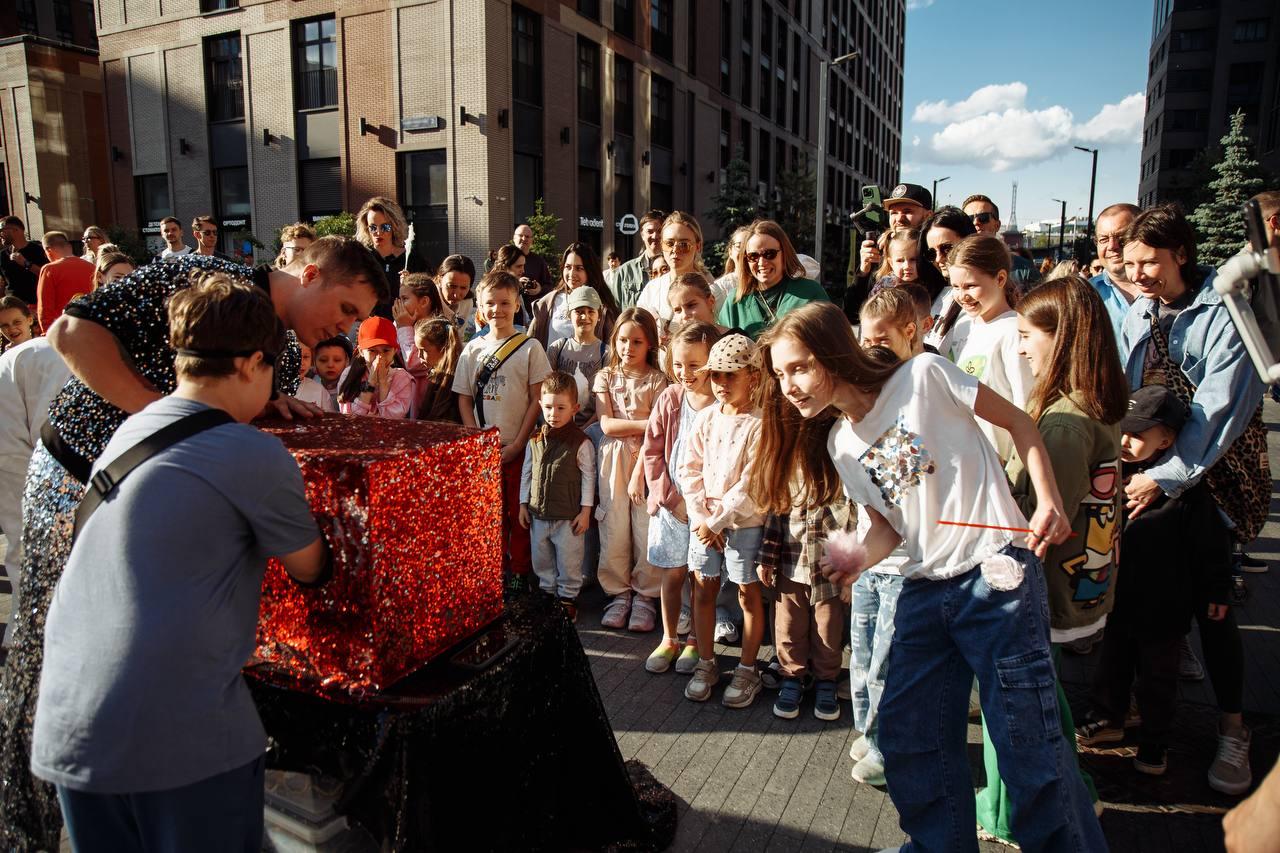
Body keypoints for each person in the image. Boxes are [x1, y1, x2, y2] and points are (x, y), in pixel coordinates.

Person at [0, 240, 384, 849]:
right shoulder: (206, 279)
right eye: (344, 308)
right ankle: (23, 830)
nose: (344, 327)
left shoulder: (282, 353)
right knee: (42, 649)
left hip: (75, 728)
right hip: (78, 481)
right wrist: (177, 422)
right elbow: (71, 332)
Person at [755, 300, 1105, 852]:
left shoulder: (924, 375)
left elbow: (1019, 422)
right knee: (908, 735)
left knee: (1028, 744)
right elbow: (888, 528)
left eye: (798, 367)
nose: (788, 385)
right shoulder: (841, 444)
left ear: (832, 352)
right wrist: (854, 559)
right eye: (780, 374)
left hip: (995, 575)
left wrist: (1048, 500)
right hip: (922, 590)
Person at [1117, 203, 1265, 795]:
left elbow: (1218, 410)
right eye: (1130, 263)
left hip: (1214, 472)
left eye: (1149, 262)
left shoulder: (1225, 311)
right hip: (1149, 468)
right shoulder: (1139, 307)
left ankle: (1233, 729)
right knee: (1147, 596)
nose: (1138, 275)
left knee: (1215, 606)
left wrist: (1168, 474)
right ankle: (1140, 708)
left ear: (1181, 253)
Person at [975, 275, 1127, 844]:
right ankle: (1074, 790)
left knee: (1018, 710)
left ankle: (1008, 812)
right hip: (1081, 583)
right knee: (1048, 701)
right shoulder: (1095, 403)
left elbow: (1036, 522)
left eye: (1026, 335)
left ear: (1061, 338)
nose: (1019, 349)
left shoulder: (1063, 424)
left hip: (1045, 590)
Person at [1076, 385, 1229, 782]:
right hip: (1117, 598)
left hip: (1164, 608)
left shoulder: (1187, 492)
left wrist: (1217, 591)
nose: (1125, 441)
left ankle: (1154, 741)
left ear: (1168, 439)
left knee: (1158, 678)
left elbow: (1212, 547)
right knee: (1111, 663)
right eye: (1122, 430)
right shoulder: (1112, 471)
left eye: (1138, 434)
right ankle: (1107, 717)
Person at [679, 333, 766, 708]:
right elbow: (689, 469)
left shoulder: (760, 424)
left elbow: (751, 482)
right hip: (705, 523)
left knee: (747, 591)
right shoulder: (705, 418)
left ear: (754, 377)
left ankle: (747, 668)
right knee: (703, 589)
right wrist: (702, 517)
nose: (722, 383)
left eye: (732, 374)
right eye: (716, 375)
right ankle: (706, 662)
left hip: (743, 522)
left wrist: (717, 522)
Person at [454, 271, 552, 589]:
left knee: (519, 513)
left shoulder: (530, 347)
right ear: (480, 307)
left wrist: (518, 443)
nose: (497, 309)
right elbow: (464, 399)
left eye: (505, 303)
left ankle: (520, 572)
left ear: (517, 304)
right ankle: (494, 569)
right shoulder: (472, 349)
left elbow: (537, 399)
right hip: (484, 448)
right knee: (489, 514)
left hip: (519, 446)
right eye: (490, 303)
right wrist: (478, 441)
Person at [642, 321, 722, 676]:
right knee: (672, 574)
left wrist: (703, 507)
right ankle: (670, 636)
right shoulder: (671, 398)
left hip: (705, 510)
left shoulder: (722, 403)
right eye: (678, 364)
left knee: (699, 577)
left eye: (694, 365)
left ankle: (695, 641)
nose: (685, 373)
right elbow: (652, 450)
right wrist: (669, 497)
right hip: (671, 506)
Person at [758, 468, 855, 724]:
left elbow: (851, 526)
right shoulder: (788, 473)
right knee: (788, 626)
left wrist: (849, 577)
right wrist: (766, 561)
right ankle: (792, 677)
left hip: (830, 574)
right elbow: (775, 519)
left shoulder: (840, 476)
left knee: (828, 630)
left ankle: (826, 681)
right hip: (791, 567)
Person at [594, 307, 668, 632]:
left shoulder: (657, 380)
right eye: (623, 340)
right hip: (612, 459)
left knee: (645, 526)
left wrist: (640, 470)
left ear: (650, 343)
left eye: (637, 341)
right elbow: (607, 425)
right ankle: (619, 593)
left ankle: (645, 595)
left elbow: (658, 433)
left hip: (647, 459)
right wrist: (648, 422)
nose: (628, 348)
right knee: (613, 525)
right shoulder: (606, 377)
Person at [0, 334, 70, 647]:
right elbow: (53, 436)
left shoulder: (44, 352)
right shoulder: (62, 360)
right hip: (22, 444)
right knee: (33, 538)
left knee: (24, 537)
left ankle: (26, 630)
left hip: (16, 438)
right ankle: (32, 634)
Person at [947, 234, 1034, 463]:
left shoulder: (1015, 330)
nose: (962, 296)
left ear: (1000, 278)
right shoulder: (966, 325)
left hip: (1000, 466)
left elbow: (1026, 405)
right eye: (955, 286)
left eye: (971, 286)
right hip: (968, 462)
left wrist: (1017, 467)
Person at [519, 371, 595, 621]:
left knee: (569, 561)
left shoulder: (580, 442)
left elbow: (589, 477)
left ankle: (567, 599)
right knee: (541, 559)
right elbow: (527, 471)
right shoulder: (534, 439)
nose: (554, 414)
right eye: (549, 407)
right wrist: (523, 503)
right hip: (539, 515)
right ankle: (547, 596)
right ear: (541, 405)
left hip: (568, 518)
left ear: (575, 408)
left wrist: (585, 512)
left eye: (561, 408)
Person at [718, 220, 829, 340]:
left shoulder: (810, 293)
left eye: (769, 254)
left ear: (784, 254)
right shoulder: (735, 302)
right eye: (753, 256)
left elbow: (830, 341)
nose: (762, 262)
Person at [846, 182, 933, 315]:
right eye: (893, 213)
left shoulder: (937, 252)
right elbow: (851, 311)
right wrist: (863, 272)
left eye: (907, 212)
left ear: (928, 215)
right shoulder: (879, 250)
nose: (899, 218)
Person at [636, 212, 731, 332]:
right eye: (669, 244)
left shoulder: (713, 291)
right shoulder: (652, 289)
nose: (675, 250)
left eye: (684, 245)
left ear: (698, 246)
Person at [529, 243, 621, 351]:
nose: (572, 273)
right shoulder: (548, 302)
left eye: (579, 268)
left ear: (590, 271)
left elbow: (614, 351)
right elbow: (530, 343)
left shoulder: (603, 307)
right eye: (568, 267)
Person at [546, 286, 608, 435]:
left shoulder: (606, 353)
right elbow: (546, 392)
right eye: (579, 312)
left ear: (599, 315)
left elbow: (606, 402)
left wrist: (583, 430)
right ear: (569, 314)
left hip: (592, 430)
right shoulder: (557, 348)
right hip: (558, 428)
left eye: (590, 311)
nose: (585, 317)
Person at [356, 196, 427, 319]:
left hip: (404, 324)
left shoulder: (411, 259)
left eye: (385, 227)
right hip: (369, 324)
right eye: (373, 227)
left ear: (394, 227)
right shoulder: (362, 258)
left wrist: (410, 284)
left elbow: (426, 295)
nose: (378, 232)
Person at [921, 206, 978, 355]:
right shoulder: (932, 293)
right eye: (931, 253)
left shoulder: (983, 300)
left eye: (946, 248)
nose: (938, 259)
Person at [338, 317, 414, 418]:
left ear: (394, 351)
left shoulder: (402, 378)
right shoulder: (349, 375)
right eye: (372, 351)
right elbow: (351, 418)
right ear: (361, 351)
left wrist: (383, 383)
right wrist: (370, 383)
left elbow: (392, 418)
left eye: (386, 351)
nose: (380, 357)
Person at [962, 194, 1040, 291]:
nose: (976, 222)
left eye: (983, 217)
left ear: (997, 225)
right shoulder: (951, 267)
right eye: (969, 219)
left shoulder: (1025, 270)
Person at [1088, 202, 1142, 343]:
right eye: (1104, 239)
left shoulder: (1168, 290)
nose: (1112, 246)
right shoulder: (1086, 294)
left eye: (1122, 237)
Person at [36, 231, 96, 332]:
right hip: (91, 327)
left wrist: (47, 332)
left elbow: (45, 307)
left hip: (62, 330)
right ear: (69, 246)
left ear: (48, 251)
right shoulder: (92, 267)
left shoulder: (49, 269)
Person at [610, 209, 666, 310]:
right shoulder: (624, 272)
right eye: (650, 231)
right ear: (642, 235)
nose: (655, 236)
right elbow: (614, 311)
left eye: (659, 231)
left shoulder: (676, 269)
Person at [409, 318, 462, 424]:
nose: (419, 356)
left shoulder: (457, 380)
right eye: (418, 350)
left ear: (444, 348)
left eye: (424, 350)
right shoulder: (435, 374)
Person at [0, 215, 47, 303]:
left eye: (2, 230)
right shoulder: (2, 255)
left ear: (16, 230)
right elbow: (2, 283)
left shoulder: (38, 250)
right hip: (12, 304)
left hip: (35, 303)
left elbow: (47, 275)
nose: (0, 235)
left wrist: (26, 263)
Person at [434, 253, 478, 340]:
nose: (456, 294)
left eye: (463, 288)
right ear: (439, 280)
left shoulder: (467, 302)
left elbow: (458, 337)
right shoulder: (427, 300)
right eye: (451, 286)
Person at [510, 223, 552, 309]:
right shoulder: (506, 258)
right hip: (510, 307)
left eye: (527, 236)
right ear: (514, 238)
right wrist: (516, 283)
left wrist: (539, 289)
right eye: (520, 235)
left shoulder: (539, 261)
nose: (524, 238)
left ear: (532, 241)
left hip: (532, 309)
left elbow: (549, 286)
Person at [312, 335, 352, 413]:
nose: (330, 365)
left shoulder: (352, 391)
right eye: (323, 360)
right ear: (314, 362)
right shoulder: (307, 386)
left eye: (337, 360)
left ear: (347, 362)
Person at [292, 341, 330, 409]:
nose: (301, 362)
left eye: (305, 357)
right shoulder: (272, 388)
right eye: (295, 356)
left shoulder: (319, 390)